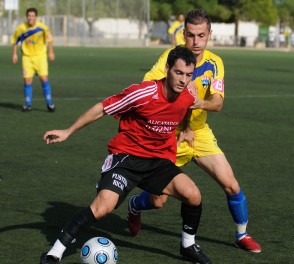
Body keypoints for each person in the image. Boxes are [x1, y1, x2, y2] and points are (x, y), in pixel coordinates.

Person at [40, 46, 212, 264]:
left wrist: (187, 129)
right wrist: (68, 131)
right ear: (167, 69)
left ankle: (187, 245)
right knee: (103, 208)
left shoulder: (187, 94)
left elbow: (186, 108)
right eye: (178, 73)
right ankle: (55, 252)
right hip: (127, 159)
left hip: (158, 160)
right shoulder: (143, 93)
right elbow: (102, 109)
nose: (183, 80)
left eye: (188, 75)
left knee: (192, 195)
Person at [127, 9, 262, 254]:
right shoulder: (171, 58)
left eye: (201, 35)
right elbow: (148, 87)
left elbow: (218, 103)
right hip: (169, 134)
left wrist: (196, 102)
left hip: (198, 132)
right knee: (158, 201)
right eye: (190, 35)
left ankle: (242, 234)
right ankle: (135, 205)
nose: (196, 42)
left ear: (209, 34)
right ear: (184, 34)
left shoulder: (214, 63)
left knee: (231, 184)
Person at [11, 7, 55, 112]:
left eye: (32, 16)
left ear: (36, 17)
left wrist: (51, 52)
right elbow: (15, 41)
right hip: (27, 57)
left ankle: (50, 103)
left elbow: (50, 40)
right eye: (29, 16)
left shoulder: (43, 27)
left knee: (43, 78)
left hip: (40, 56)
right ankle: (28, 104)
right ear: (26, 17)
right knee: (27, 80)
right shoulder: (21, 28)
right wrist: (14, 54)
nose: (30, 18)